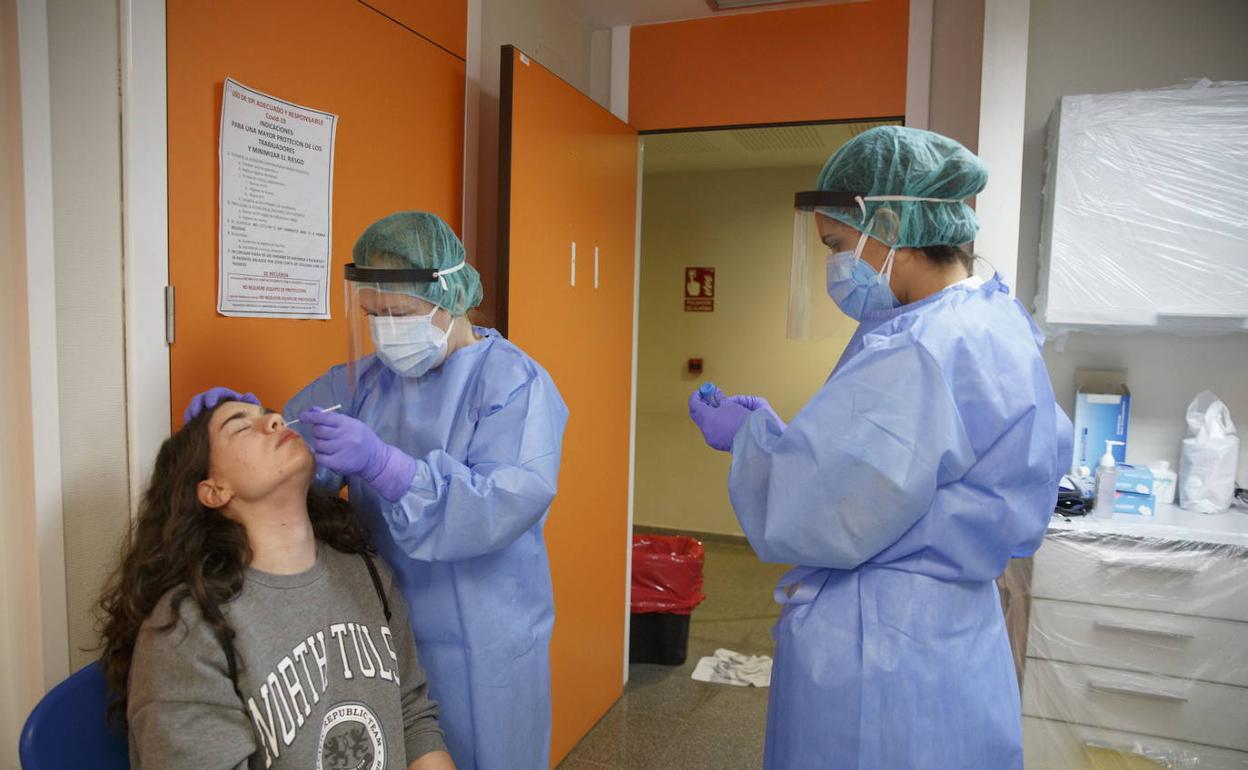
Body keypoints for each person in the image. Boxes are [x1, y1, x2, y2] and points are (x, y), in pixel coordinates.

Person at [687, 126, 1072, 769]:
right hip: (955, 635)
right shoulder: (992, 319)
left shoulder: (918, 349)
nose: (836, 266)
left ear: (889, 222)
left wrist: (752, 443)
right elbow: (895, 475)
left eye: (837, 244)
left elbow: (817, 513)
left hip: (884, 645)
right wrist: (789, 440)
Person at [185, 212, 568, 770]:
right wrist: (246, 418)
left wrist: (389, 468)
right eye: (373, 314)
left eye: (400, 314)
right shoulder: (363, 383)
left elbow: (501, 503)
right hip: (377, 627)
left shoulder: (515, 385)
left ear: (451, 296)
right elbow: (291, 447)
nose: (386, 329)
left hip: (484, 644)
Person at [97, 398, 455, 770]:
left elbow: (413, 722)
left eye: (269, 415)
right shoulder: (187, 628)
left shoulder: (364, 569)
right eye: (240, 425)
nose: (275, 422)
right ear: (214, 491)